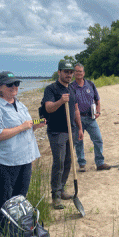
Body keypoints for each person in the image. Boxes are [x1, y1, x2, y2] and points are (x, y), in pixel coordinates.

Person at [0, 71, 46, 229]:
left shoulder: (19, 104)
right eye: (10, 84)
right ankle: (2, 231)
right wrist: (22, 126)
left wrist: (35, 125)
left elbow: (25, 128)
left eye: (17, 84)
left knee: (20, 198)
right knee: (4, 199)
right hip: (4, 160)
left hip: (24, 158)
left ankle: (18, 228)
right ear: (0, 87)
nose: (14, 87)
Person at [42, 61, 84, 209]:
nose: (69, 74)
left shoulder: (72, 89)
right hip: (57, 131)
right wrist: (61, 101)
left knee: (68, 161)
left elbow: (76, 110)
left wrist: (79, 128)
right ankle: (55, 195)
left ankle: (62, 188)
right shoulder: (51, 89)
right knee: (58, 162)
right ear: (59, 72)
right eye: (66, 72)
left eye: (71, 72)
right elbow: (48, 108)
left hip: (70, 130)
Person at [70, 63, 111, 172]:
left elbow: (97, 99)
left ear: (84, 73)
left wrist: (98, 111)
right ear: (73, 73)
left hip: (91, 118)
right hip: (77, 119)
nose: (79, 73)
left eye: (81, 71)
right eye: (76, 71)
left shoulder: (90, 84)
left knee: (98, 139)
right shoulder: (71, 87)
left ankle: (100, 163)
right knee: (79, 142)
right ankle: (82, 164)